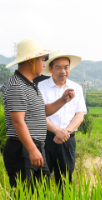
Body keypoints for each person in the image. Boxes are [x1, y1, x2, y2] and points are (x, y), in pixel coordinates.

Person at [3, 38, 75, 189]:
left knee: (43, 192)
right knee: (24, 194)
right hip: (23, 149)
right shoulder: (17, 86)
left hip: (34, 148)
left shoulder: (30, 85)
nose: (44, 64)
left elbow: (41, 112)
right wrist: (32, 150)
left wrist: (62, 100)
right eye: (43, 60)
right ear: (31, 61)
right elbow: (18, 122)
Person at [37, 50, 87, 189]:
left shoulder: (76, 87)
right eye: (58, 67)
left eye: (66, 67)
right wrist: (56, 131)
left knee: (65, 182)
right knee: (41, 181)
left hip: (67, 140)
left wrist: (65, 133)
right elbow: (39, 114)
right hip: (45, 139)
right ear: (51, 69)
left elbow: (80, 115)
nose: (63, 70)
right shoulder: (41, 87)